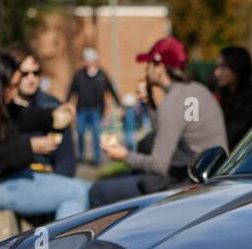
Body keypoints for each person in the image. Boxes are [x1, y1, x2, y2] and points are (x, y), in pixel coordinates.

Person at [89, 37, 226, 207]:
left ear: (160, 68)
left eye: (149, 65)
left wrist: (124, 155)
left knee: (97, 191)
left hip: (189, 184)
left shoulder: (172, 103)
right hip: (209, 175)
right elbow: (168, 129)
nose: (146, 71)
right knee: (141, 156)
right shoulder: (196, 90)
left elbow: (158, 165)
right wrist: (149, 101)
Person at [0, 53, 90, 220]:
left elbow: (29, 116)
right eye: (13, 86)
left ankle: (62, 242)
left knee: (87, 189)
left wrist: (55, 114)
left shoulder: (4, 106)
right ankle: (63, 245)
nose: (15, 93)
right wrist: (30, 147)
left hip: (14, 179)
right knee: (76, 192)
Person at [7, 44, 77, 178]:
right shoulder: (0, 108)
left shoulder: (53, 107)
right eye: (25, 74)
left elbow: (67, 161)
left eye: (36, 73)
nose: (32, 79)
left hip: (47, 179)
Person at [66, 47, 120, 165]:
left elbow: (111, 89)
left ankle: (97, 159)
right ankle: (80, 157)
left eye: (87, 59)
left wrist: (119, 105)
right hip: (82, 109)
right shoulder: (79, 74)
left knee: (96, 134)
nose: (85, 61)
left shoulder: (101, 75)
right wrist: (67, 102)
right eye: (84, 59)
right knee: (80, 132)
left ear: (93, 60)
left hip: (96, 110)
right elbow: (71, 90)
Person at [213, 46, 252, 149]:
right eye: (218, 67)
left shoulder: (249, 102)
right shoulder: (226, 95)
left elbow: (229, 138)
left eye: (223, 67)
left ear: (237, 68)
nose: (217, 73)